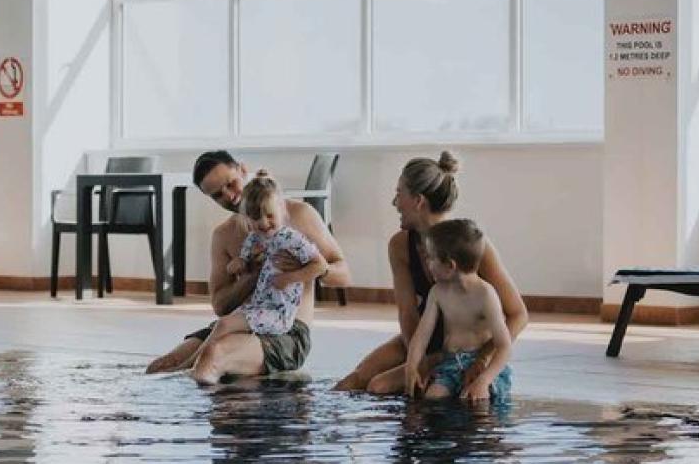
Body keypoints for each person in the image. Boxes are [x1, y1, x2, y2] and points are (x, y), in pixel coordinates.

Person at [333, 151, 527, 400]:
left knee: (378, 386)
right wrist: (419, 360)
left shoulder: (471, 244)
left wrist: (483, 360)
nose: (394, 203)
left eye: (398, 194)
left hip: (470, 347)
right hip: (426, 340)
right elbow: (407, 313)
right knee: (356, 379)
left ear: (418, 200)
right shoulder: (400, 245)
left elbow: (518, 314)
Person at [145, 150, 351, 379]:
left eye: (231, 184)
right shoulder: (223, 235)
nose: (230, 196)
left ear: (243, 170)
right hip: (246, 318)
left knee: (212, 357)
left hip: (287, 330)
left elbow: (344, 274)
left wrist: (307, 270)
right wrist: (251, 275)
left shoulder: (298, 214)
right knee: (161, 367)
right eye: (218, 195)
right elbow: (221, 305)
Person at [188, 171, 327, 384]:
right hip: (257, 308)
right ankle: (189, 362)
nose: (263, 223)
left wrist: (292, 276)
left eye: (269, 216)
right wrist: (239, 265)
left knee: (220, 337)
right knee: (220, 326)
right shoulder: (254, 238)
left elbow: (321, 265)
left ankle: (191, 363)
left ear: (281, 209)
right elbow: (226, 293)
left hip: (279, 315)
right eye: (255, 217)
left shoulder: (292, 238)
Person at [404, 219, 512, 401]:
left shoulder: (485, 294)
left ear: (450, 266)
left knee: (474, 401)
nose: (428, 264)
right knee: (431, 398)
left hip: (482, 367)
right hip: (450, 363)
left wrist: (484, 381)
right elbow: (421, 337)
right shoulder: (437, 292)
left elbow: (504, 346)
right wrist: (411, 368)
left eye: (431, 258)